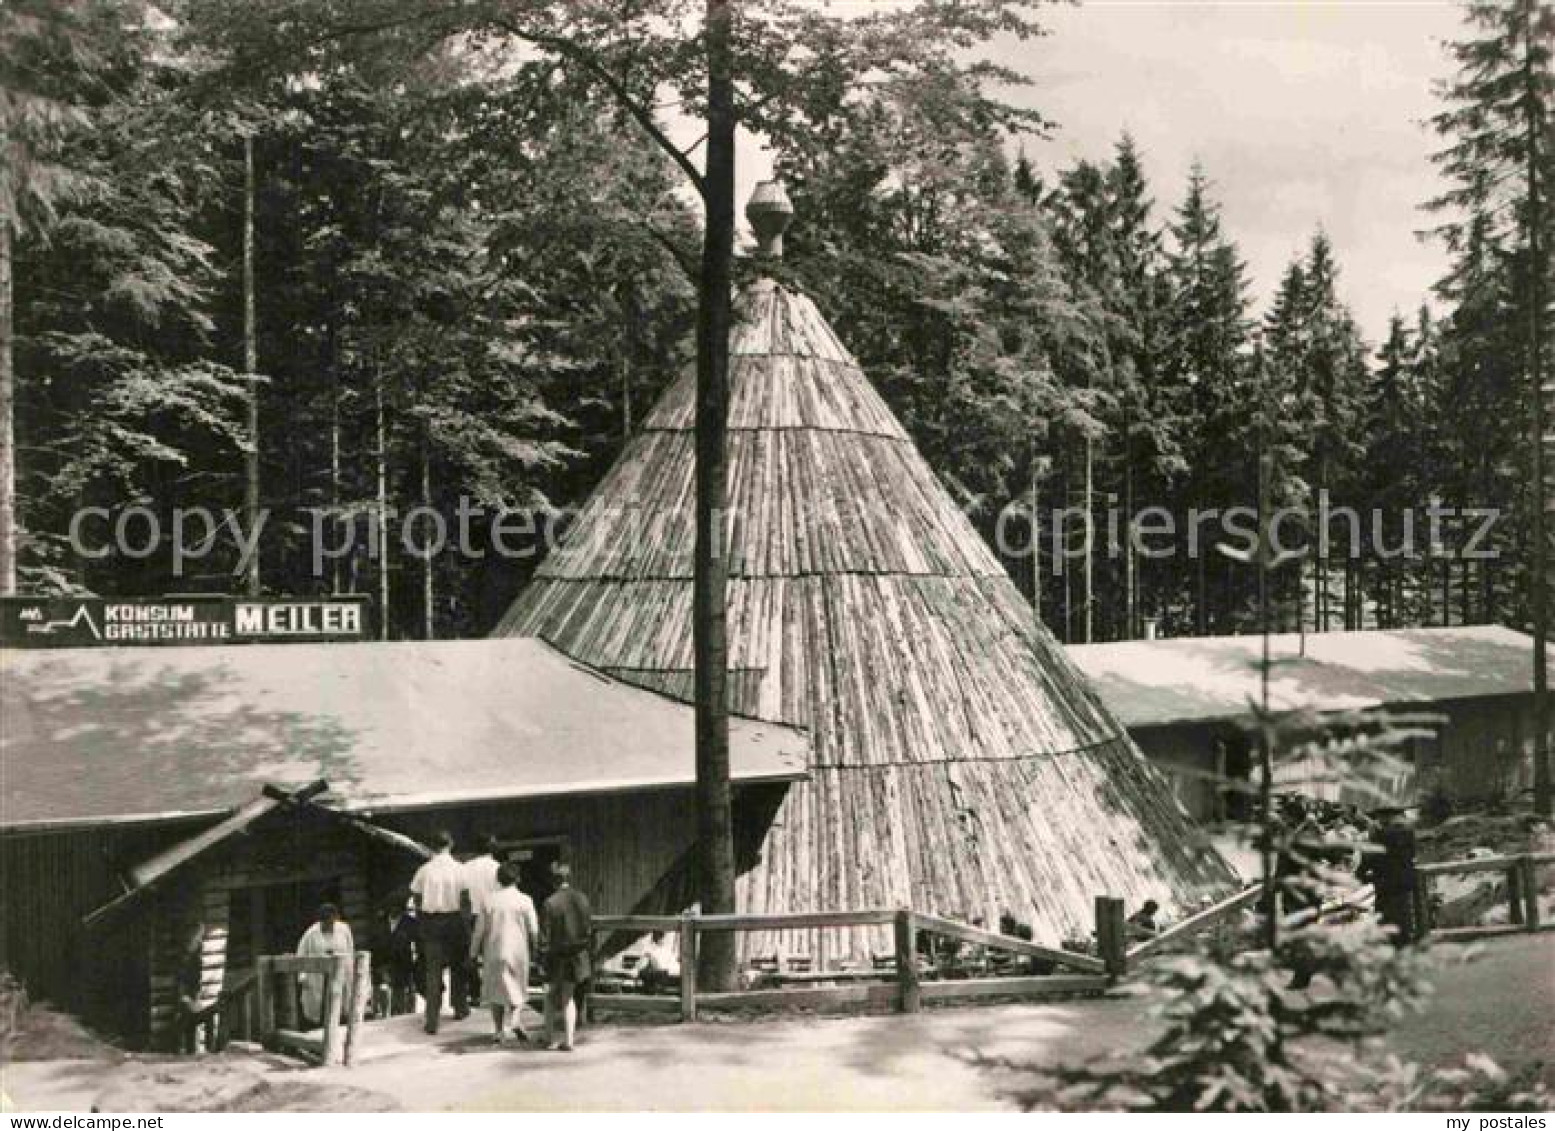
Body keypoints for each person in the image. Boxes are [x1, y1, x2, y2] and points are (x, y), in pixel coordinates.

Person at [469, 862, 540, 1044]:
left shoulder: (488, 900)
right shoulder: (525, 900)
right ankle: (515, 1018)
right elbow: (533, 929)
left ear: (498, 879)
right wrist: (536, 948)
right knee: (518, 988)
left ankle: (499, 1031)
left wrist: (473, 953)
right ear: (518, 879)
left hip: (493, 950)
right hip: (518, 951)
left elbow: (479, 931)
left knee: (496, 991)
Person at [410, 830, 471, 1033]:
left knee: (433, 971)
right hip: (454, 920)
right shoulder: (460, 869)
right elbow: (465, 899)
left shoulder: (424, 870)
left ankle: (432, 1020)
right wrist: (465, 924)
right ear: (451, 844)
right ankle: (460, 1008)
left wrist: (422, 919)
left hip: (432, 921)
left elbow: (416, 898)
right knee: (458, 966)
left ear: (431, 846)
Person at [540, 861, 592, 1052]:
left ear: (553, 880)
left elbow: (544, 937)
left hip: (556, 956)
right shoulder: (582, 899)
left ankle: (549, 1038)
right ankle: (569, 1040)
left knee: (550, 997)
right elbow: (588, 928)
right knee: (568, 997)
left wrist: (541, 961)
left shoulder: (550, 903)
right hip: (577, 955)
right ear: (569, 878)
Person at [1361, 809, 1421, 947]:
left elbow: (1372, 856)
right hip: (1403, 880)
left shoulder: (1381, 833)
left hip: (1386, 882)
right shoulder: (1407, 829)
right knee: (1403, 916)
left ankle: (1395, 946)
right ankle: (1405, 943)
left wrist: (1361, 873)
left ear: (1384, 815)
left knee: (1389, 917)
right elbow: (1412, 853)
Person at [296, 903, 355, 1027]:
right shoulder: (311, 933)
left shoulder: (344, 929)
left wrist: (351, 970)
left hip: (341, 975)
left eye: (331, 922)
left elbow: (350, 951)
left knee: (341, 1007)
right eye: (326, 922)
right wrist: (302, 977)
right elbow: (300, 954)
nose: (329, 925)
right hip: (317, 979)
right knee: (321, 1010)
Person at [461, 834, 503, 1007]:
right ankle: (491, 993)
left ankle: (474, 992)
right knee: (491, 956)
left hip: (471, 914)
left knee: (470, 955)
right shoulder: (497, 868)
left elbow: (461, 892)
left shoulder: (466, 867)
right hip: (492, 914)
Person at [174, 920, 206, 1054]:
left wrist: (196, 996)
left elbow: (197, 979)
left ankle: (190, 1049)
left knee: (191, 1022)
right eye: (198, 937)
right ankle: (182, 1048)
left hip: (193, 993)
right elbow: (181, 978)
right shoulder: (186, 957)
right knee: (185, 1020)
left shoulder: (196, 956)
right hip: (186, 994)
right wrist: (184, 996)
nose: (200, 941)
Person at [637, 930, 679, 995]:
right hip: (651, 975)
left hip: (662, 975)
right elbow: (641, 965)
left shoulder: (667, 950)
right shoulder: (647, 946)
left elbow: (672, 967)